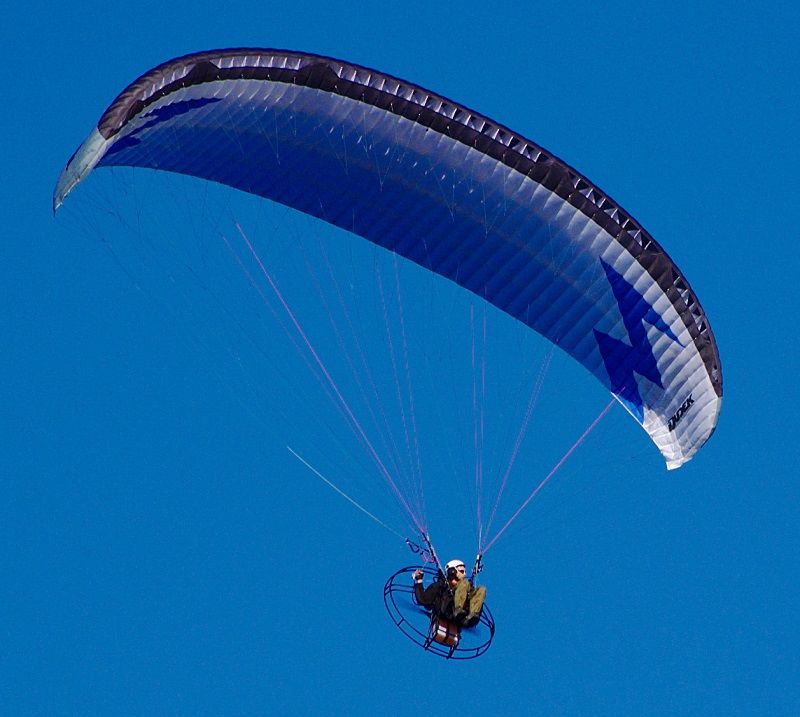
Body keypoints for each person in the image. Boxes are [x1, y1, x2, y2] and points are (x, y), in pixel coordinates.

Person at [413, 559, 486, 628]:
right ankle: (458, 611)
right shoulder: (440, 587)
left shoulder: (466, 589)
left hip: (464, 618)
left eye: (465, 572)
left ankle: (472, 615)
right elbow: (423, 600)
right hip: (447, 611)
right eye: (462, 571)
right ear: (452, 572)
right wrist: (418, 580)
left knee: (482, 589)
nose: (464, 574)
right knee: (464, 583)